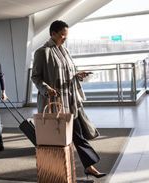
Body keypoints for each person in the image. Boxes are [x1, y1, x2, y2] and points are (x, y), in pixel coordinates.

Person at [31, 20, 106, 178]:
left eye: (66, 36)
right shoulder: (42, 52)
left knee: (78, 135)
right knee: (57, 142)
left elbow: (69, 72)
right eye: (63, 35)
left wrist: (78, 75)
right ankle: (55, 173)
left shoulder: (64, 51)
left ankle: (89, 166)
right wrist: (46, 89)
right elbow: (35, 77)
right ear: (53, 34)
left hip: (71, 102)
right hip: (55, 104)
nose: (65, 38)